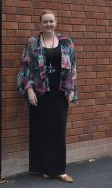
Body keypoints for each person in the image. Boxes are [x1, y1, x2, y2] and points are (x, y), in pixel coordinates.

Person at [17, 10, 77, 183]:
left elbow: (73, 66)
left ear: (56, 22)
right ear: (40, 24)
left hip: (60, 91)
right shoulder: (32, 43)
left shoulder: (66, 41)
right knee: (42, 130)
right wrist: (29, 90)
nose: (48, 24)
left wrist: (71, 89)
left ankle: (60, 170)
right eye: (45, 21)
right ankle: (46, 168)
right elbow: (25, 68)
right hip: (40, 92)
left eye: (51, 21)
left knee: (58, 129)